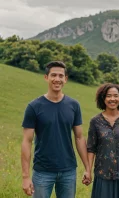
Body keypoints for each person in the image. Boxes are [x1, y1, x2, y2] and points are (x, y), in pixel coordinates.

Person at [21, 61, 91, 198]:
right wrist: (25, 177)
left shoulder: (74, 105)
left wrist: (88, 168)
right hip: (42, 171)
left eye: (61, 76)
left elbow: (79, 137)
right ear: (46, 77)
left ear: (65, 79)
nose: (57, 79)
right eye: (53, 75)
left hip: (68, 171)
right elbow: (26, 141)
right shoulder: (34, 107)